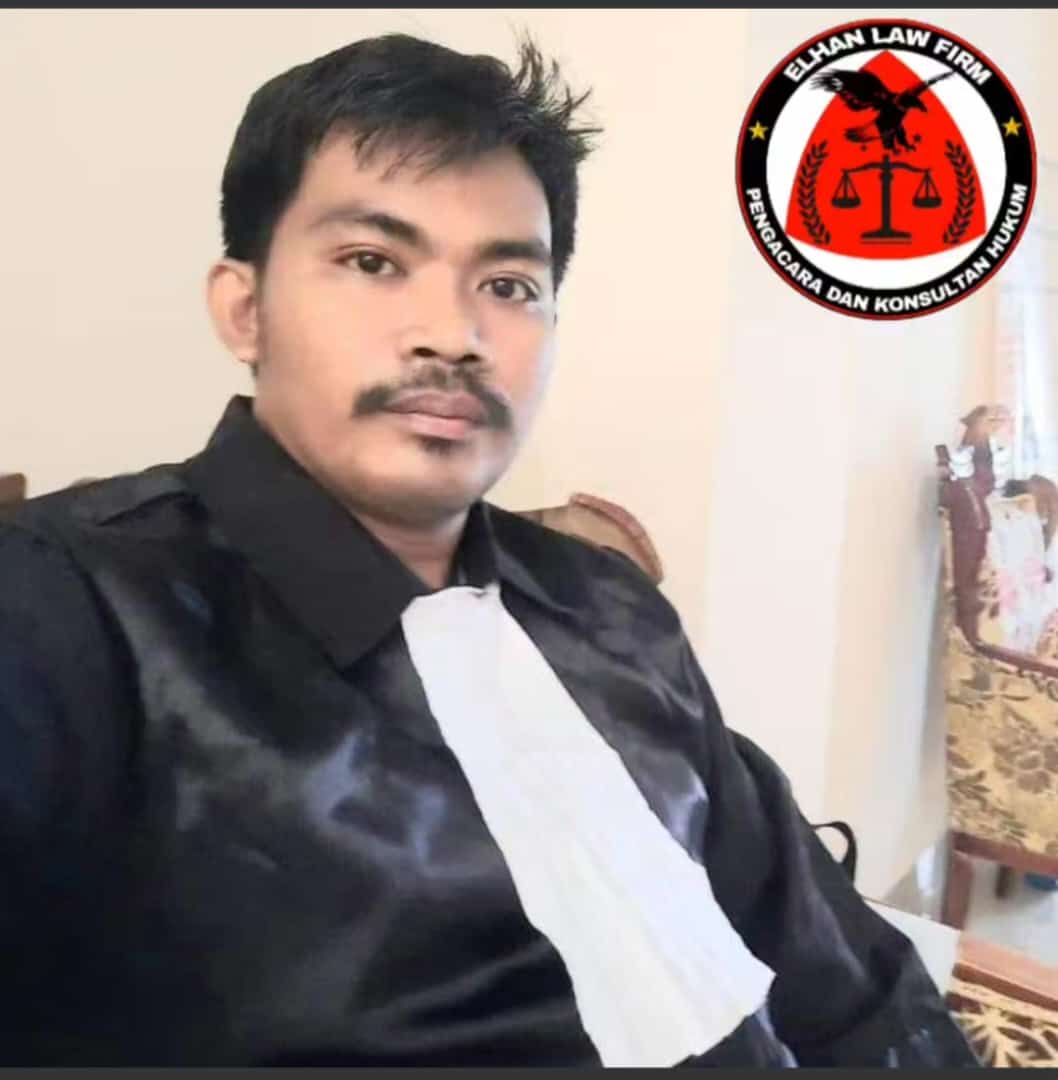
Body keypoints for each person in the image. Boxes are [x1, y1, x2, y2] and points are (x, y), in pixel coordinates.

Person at [0, 32, 977, 1067]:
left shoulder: (609, 608)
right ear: (244, 310)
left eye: (508, 284)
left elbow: (839, 970)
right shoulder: (66, 613)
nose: (453, 335)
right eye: (372, 263)